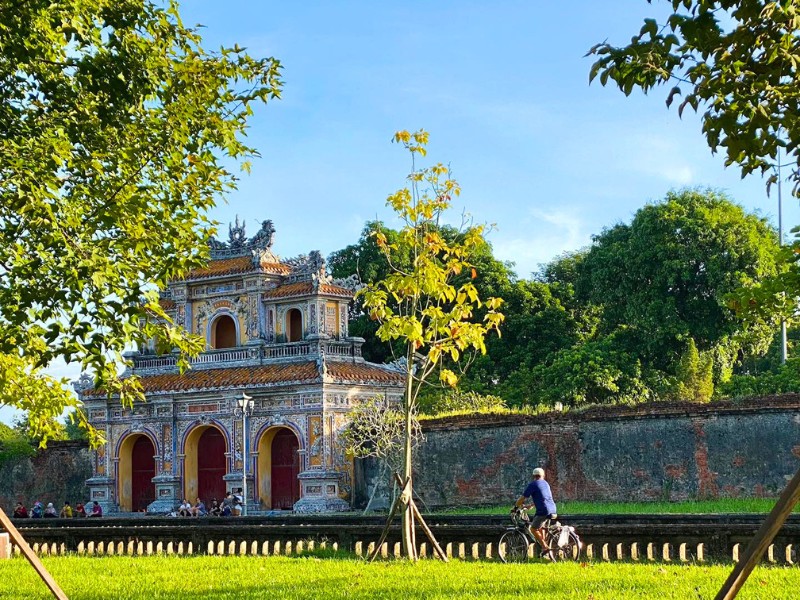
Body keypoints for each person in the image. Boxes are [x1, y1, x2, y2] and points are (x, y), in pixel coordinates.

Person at [514, 467, 558, 558]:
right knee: (540, 527)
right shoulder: (546, 484)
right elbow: (543, 497)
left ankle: (545, 547)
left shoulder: (533, 484)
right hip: (552, 509)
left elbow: (523, 498)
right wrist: (531, 505)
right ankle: (544, 549)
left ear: (533, 476)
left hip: (543, 510)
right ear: (543, 475)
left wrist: (515, 507)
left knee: (533, 529)